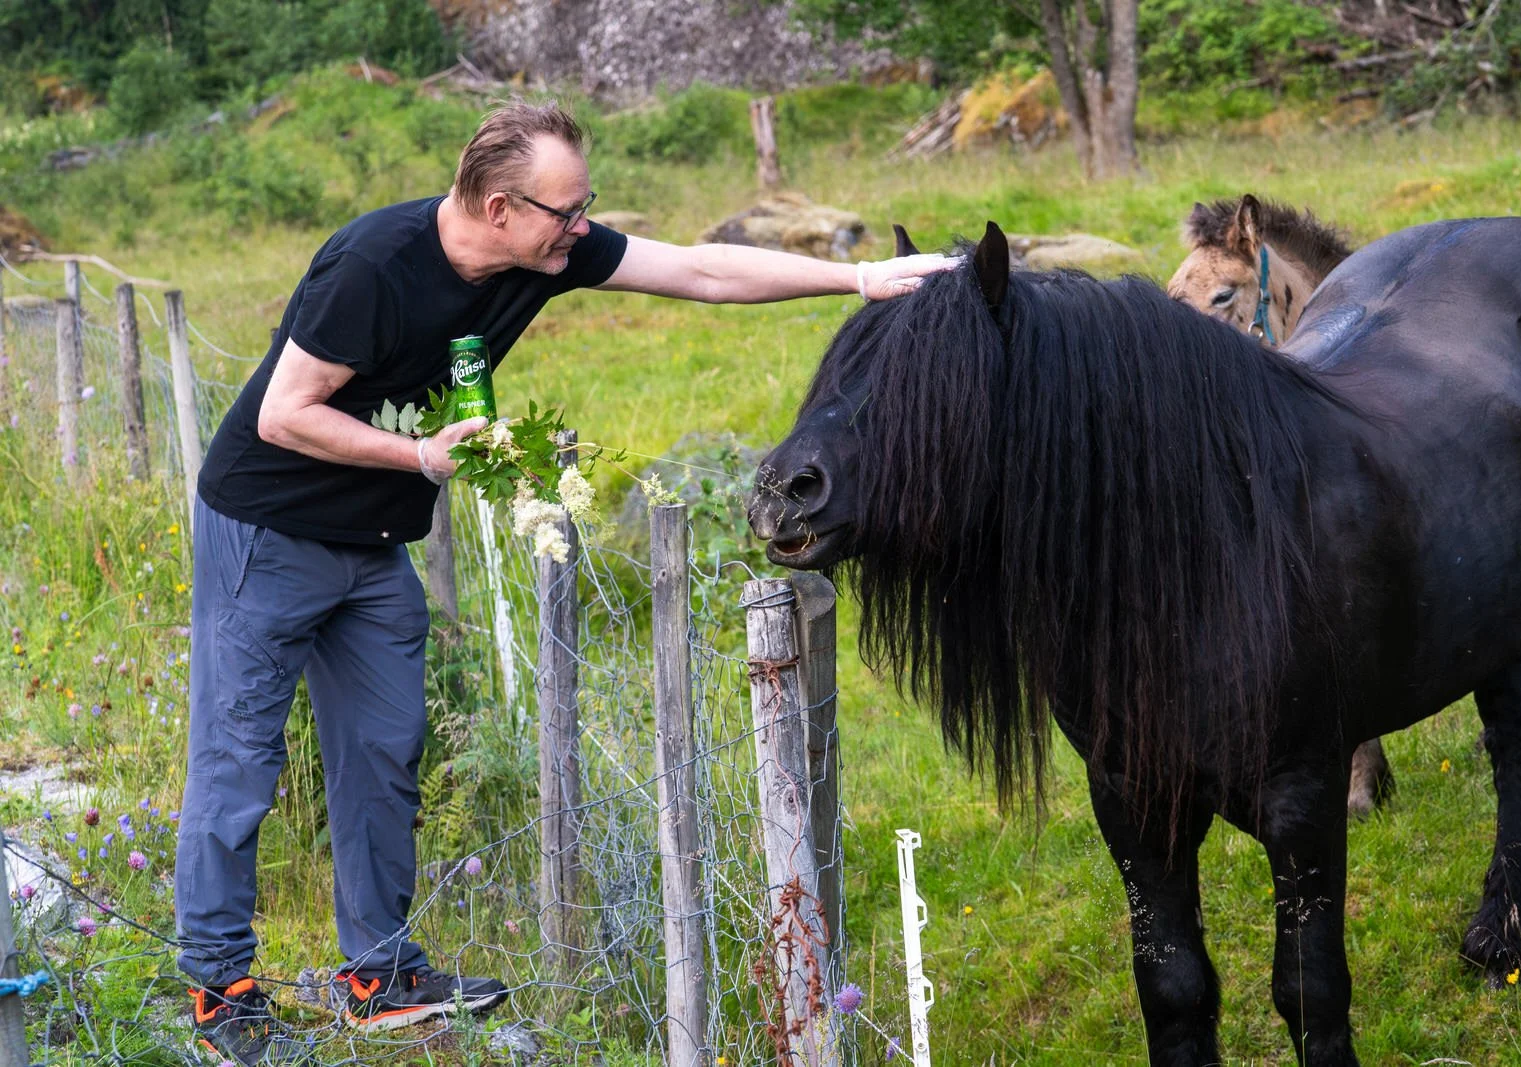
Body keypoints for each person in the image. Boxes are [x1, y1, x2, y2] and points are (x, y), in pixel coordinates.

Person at [175, 100, 956, 1064]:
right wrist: (419, 456)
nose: (583, 228)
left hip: (371, 539)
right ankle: (218, 984)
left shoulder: (544, 252)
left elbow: (700, 269)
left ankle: (377, 972)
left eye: (586, 206)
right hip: (267, 528)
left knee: (383, 749)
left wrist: (860, 278)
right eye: (567, 210)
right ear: (498, 208)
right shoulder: (372, 266)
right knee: (239, 758)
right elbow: (283, 415)